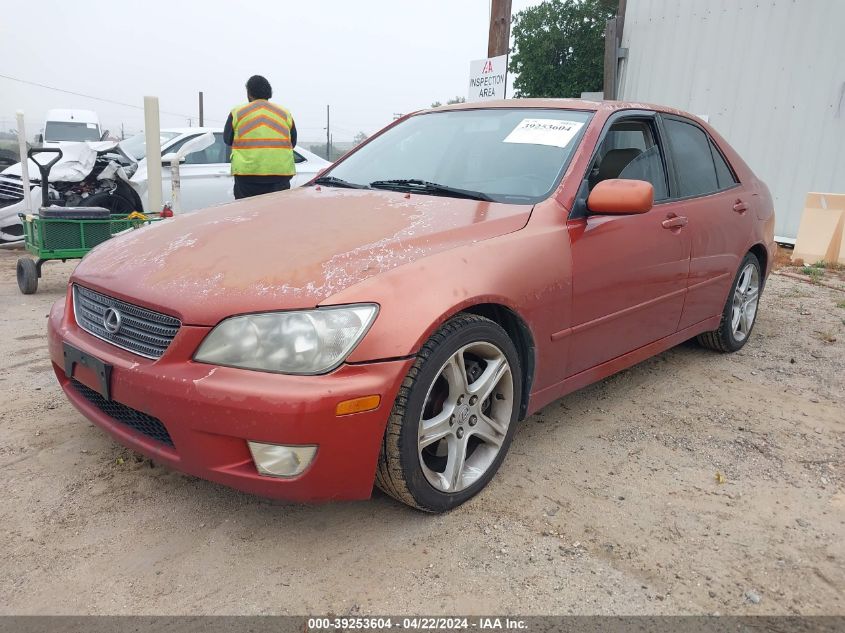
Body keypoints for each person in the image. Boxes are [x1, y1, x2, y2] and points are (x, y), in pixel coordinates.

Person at [223, 75, 298, 199]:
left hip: (247, 175)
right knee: (277, 210)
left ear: (249, 93)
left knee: (247, 210)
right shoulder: (284, 113)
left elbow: (227, 139)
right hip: (280, 175)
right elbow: (292, 142)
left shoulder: (238, 112)